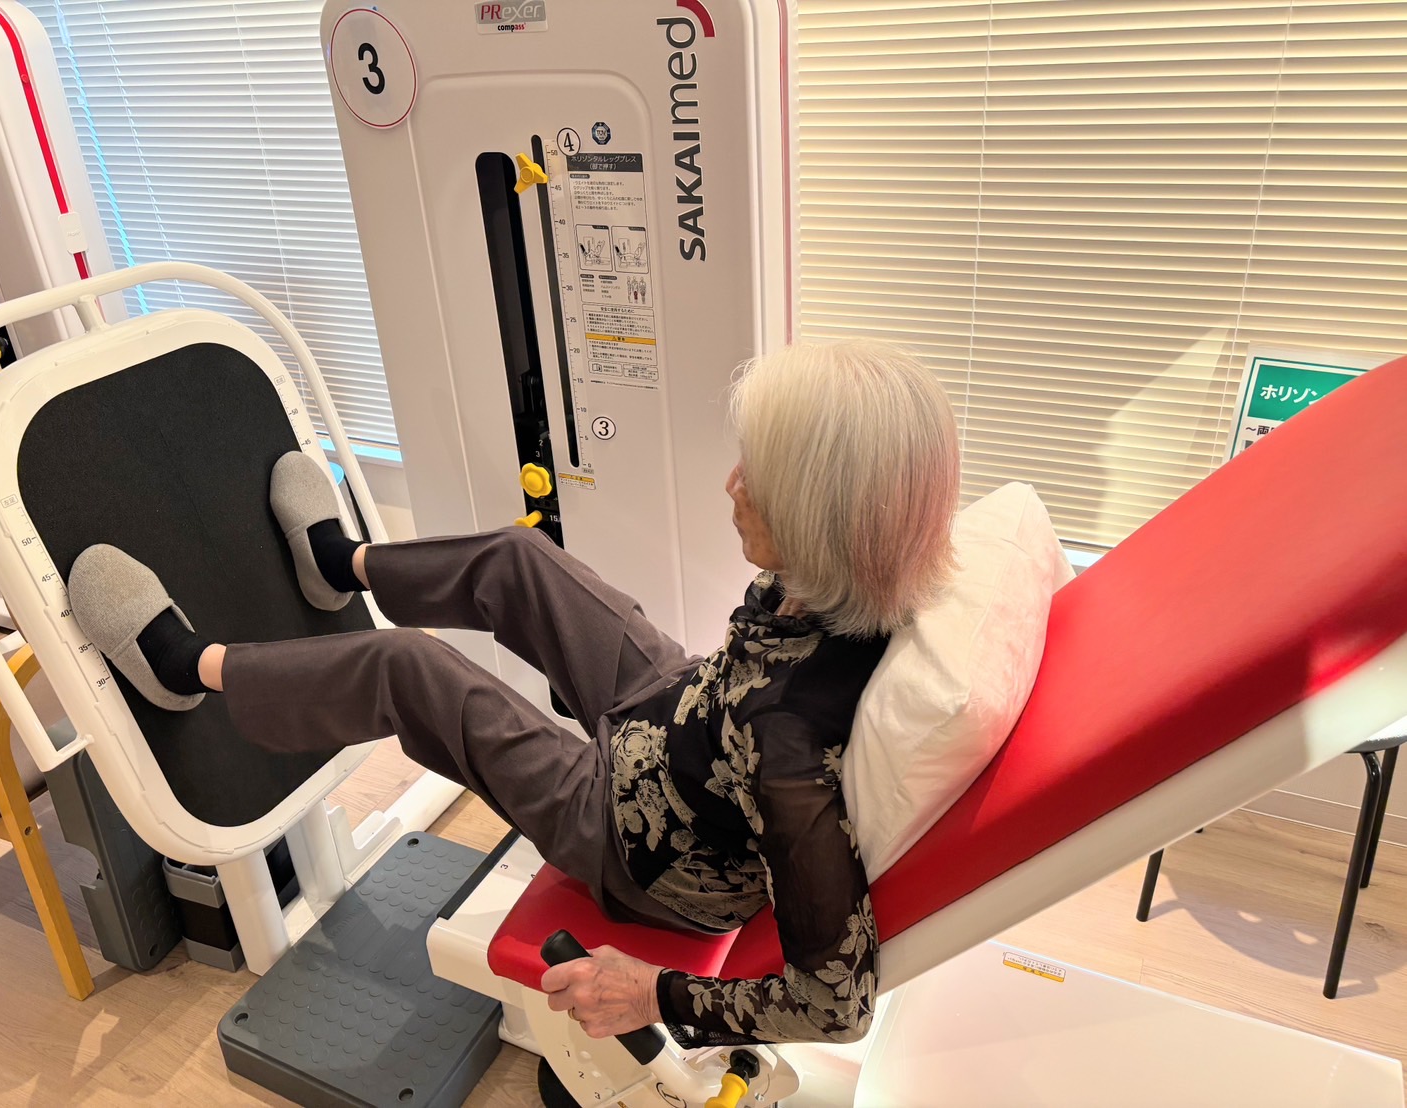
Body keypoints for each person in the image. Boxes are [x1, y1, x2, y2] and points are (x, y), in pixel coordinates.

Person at [68, 339, 960, 1047]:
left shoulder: (789, 747)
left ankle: (186, 667)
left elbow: (835, 1005)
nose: (732, 484)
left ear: (818, 516)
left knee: (407, 669)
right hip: (677, 716)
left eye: (755, 478)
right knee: (519, 559)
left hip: (626, 838)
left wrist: (651, 993)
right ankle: (340, 564)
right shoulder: (851, 578)